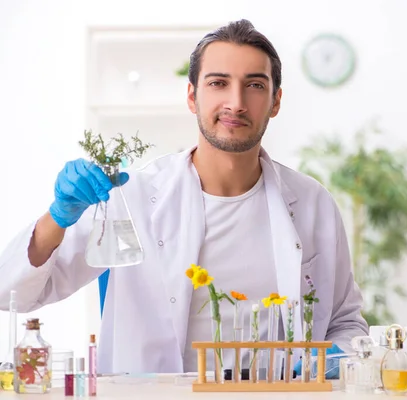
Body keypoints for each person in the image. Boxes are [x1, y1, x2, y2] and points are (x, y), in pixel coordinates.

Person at [0, 19, 368, 375]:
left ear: (275, 101)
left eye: (254, 85)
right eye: (218, 83)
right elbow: (11, 292)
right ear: (192, 96)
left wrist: (335, 358)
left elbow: (346, 322)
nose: (235, 102)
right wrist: (58, 217)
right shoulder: (132, 197)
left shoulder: (313, 203)